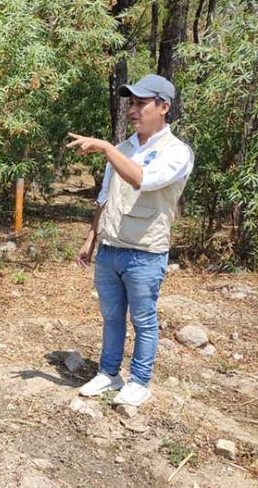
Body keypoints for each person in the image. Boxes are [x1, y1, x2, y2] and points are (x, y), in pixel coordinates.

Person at [69, 74, 194, 407]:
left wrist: (107, 148)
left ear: (163, 107)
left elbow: (144, 180)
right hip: (110, 250)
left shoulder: (176, 152)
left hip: (145, 253)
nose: (132, 110)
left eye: (141, 103)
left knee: (143, 320)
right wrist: (91, 238)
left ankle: (140, 381)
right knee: (111, 317)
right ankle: (109, 373)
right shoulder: (123, 149)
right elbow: (105, 197)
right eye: (131, 103)